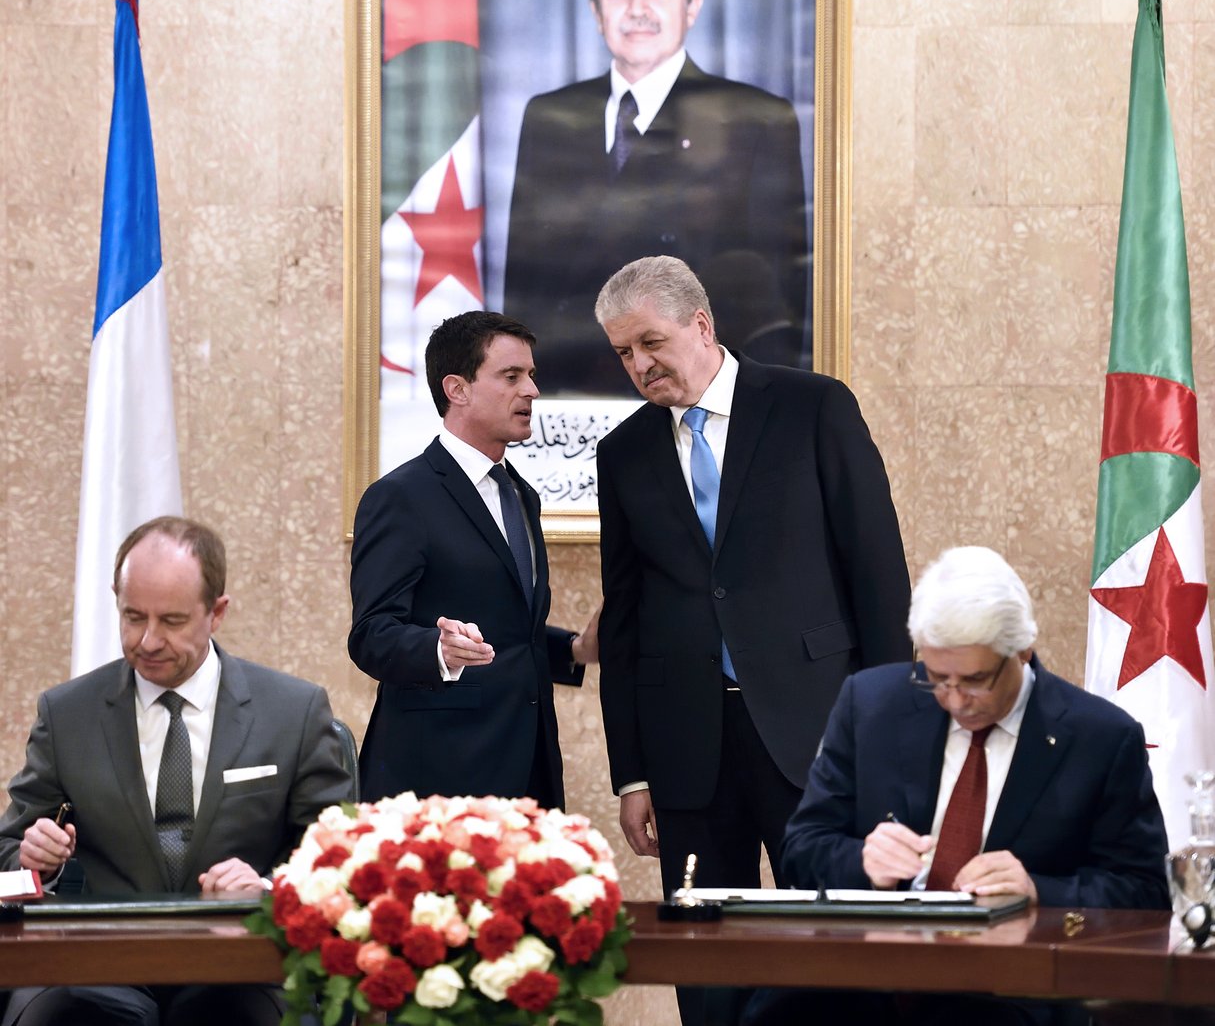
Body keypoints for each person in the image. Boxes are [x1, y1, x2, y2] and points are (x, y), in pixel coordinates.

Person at [594, 256, 911, 1025]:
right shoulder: (622, 451)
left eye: (649, 342)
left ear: (700, 326)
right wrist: (631, 772)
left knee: (834, 956)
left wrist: (892, 738)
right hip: (687, 750)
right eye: (622, 353)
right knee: (707, 968)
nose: (638, 365)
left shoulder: (812, 407)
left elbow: (877, 577)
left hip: (818, 733)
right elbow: (625, 620)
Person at [746, 546, 1171, 1026]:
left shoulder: (1101, 738)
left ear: (1022, 653)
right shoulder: (869, 704)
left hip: (1008, 987)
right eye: (936, 678)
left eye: (974, 680)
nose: (954, 700)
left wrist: (1037, 890)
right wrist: (861, 860)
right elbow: (802, 848)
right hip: (865, 974)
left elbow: (1144, 894)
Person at [0, 516, 353, 1026]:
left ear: (217, 612)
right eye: (132, 616)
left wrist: (269, 886)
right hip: (97, 969)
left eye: (171, 621)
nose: (147, 641)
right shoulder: (67, 715)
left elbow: (339, 858)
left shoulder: (292, 712)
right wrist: (38, 861)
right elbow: (8, 855)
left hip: (242, 966)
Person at [505, 0, 810, 395]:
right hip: (571, 404)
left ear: (693, 5)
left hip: (700, 399)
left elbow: (776, 294)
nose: (638, 10)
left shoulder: (757, 119)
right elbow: (523, 283)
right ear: (595, 9)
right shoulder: (549, 115)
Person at [348, 310, 597, 809]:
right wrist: (436, 650)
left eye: (531, 375)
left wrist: (574, 648)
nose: (532, 390)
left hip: (529, 770)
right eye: (511, 376)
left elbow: (503, 632)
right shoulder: (400, 496)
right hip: (437, 776)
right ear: (457, 389)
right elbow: (371, 636)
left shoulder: (522, 494)